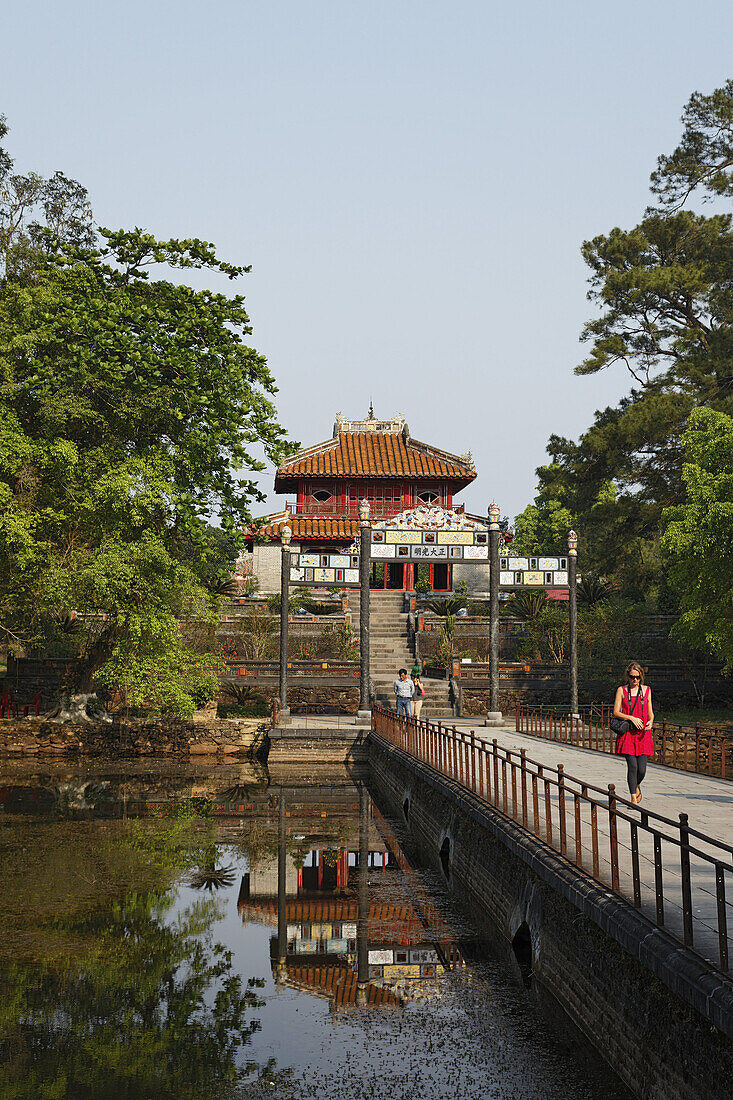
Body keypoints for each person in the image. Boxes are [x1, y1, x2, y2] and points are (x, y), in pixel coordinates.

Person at [613, 661, 654, 805]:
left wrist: (651, 722)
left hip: (643, 734)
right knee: (633, 766)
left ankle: (636, 785)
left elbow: (651, 713)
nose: (634, 680)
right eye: (632, 677)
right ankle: (632, 799)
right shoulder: (622, 691)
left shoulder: (647, 690)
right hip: (628, 734)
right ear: (628, 676)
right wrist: (631, 717)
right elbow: (616, 712)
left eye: (637, 677)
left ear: (641, 677)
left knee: (642, 770)